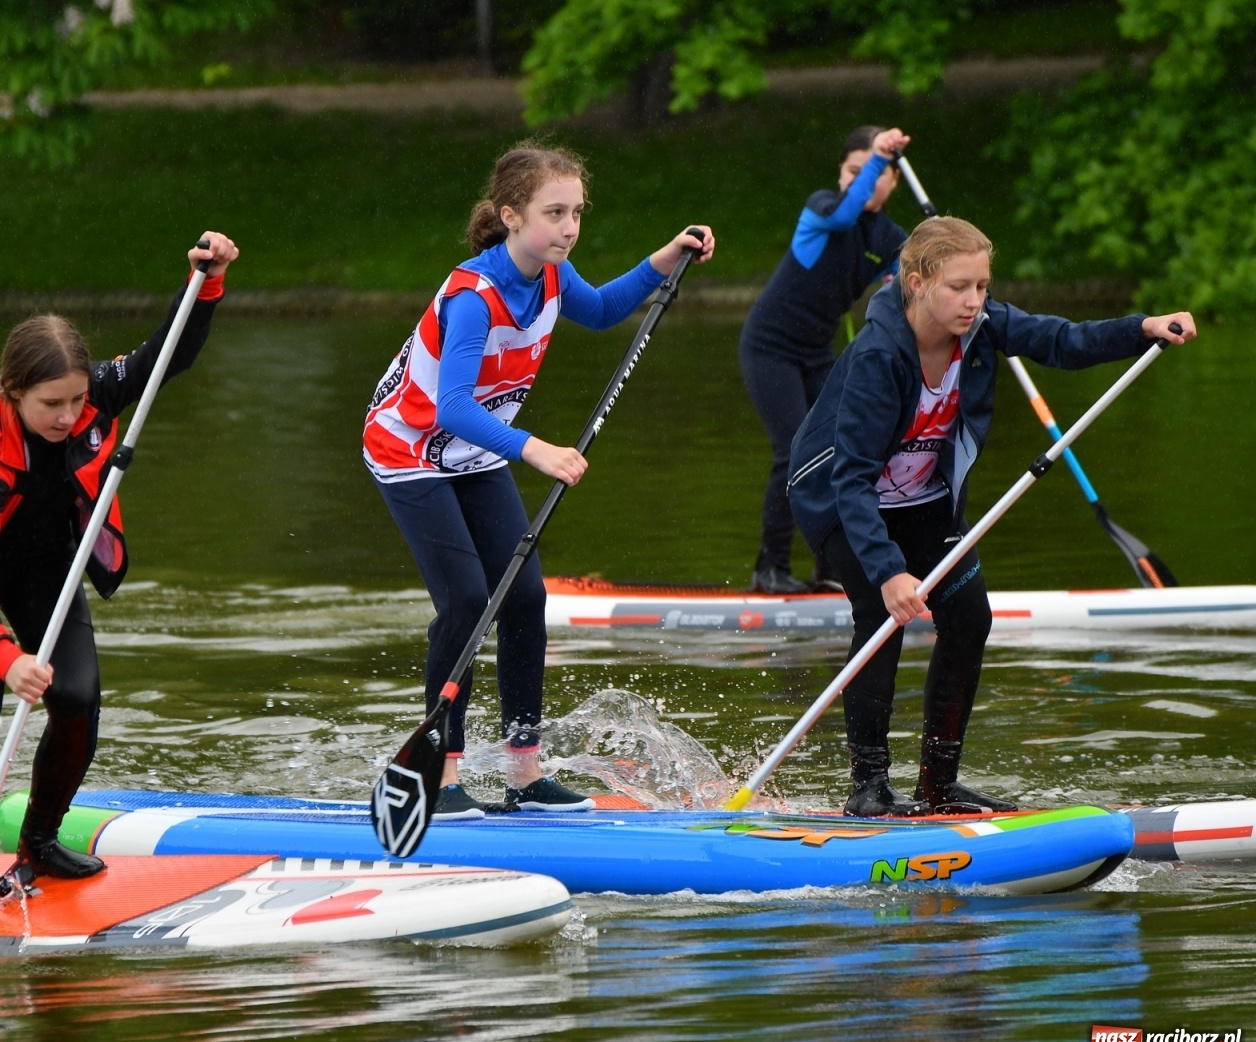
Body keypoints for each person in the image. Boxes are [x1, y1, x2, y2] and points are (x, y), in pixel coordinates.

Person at [787, 216, 1195, 816]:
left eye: (982, 285)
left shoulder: (980, 327)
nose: (975, 301)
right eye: (959, 286)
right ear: (918, 281)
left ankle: (937, 785)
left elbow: (1062, 340)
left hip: (925, 502)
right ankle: (868, 789)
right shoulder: (879, 355)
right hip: (842, 500)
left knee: (969, 617)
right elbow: (852, 478)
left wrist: (1142, 329)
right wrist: (889, 570)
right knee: (880, 616)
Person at [363, 141, 714, 819]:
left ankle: (524, 775)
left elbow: (607, 309)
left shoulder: (552, 276)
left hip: (474, 453)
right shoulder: (474, 296)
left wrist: (666, 259)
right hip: (410, 450)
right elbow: (453, 406)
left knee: (524, 598)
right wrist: (536, 449)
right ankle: (442, 775)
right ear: (511, 215)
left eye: (577, 212)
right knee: (466, 602)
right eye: (556, 213)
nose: (570, 227)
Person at [0, 233, 238, 896]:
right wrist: (8, 658)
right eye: (48, 406)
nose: (66, 417)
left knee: (79, 699)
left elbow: (164, 357)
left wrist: (207, 283)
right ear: (13, 393)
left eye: (75, 401)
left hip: (45, 565)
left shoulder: (93, 398)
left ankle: (39, 843)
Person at [739, 125, 912, 594]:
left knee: (842, 454)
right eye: (856, 171)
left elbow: (914, 287)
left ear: (894, 181)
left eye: (876, 173)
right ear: (842, 174)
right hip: (769, 347)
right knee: (791, 452)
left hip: (817, 355)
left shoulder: (891, 238)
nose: (866, 182)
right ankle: (768, 568)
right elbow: (845, 217)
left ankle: (832, 567)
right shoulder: (821, 210)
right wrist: (877, 156)